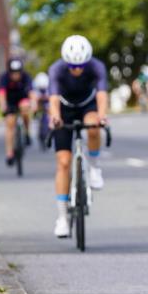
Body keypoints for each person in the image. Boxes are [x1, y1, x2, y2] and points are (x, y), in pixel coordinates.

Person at [47, 35, 109, 238]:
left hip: (87, 106)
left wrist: (102, 115)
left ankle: (93, 167)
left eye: (81, 65)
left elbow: (101, 94)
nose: (77, 70)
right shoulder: (56, 69)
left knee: (93, 125)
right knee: (63, 163)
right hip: (64, 109)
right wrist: (55, 118)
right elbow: (53, 99)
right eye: (73, 66)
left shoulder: (97, 67)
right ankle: (63, 217)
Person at [0, 58, 34, 165]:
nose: (16, 75)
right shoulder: (4, 78)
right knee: (10, 123)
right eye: (13, 73)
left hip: (22, 99)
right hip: (10, 101)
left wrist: (33, 104)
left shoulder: (26, 77)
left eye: (18, 73)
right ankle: (9, 153)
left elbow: (32, 93)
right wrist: (3, 106)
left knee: (25, 109)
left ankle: (27, 132)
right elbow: (1, 94)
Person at [32, 72, 51, 149]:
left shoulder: (48, 87)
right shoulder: (36, 88)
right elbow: (34, 98)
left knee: (49, 110)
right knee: (36, 106)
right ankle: (36, 116)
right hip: (39, 103)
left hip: (46, 103)